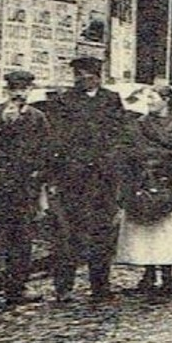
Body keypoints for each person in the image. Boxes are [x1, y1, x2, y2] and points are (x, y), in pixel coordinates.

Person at [42, 56, 129, 301]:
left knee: (102, 233)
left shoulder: (111, 100)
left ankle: (100, 286)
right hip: (73, 179)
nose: (83, 80)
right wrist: (58, 174)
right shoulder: (64, 101)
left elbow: (120, 135)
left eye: (89, 75)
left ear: (99, 77)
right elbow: (57, 139)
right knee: (68, 233)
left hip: (103, 180)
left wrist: (112, 164)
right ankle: (64, 287)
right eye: (78, 75)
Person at [0, 69, 50, 305]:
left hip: (24, 187)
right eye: (15, 91)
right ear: (7, 91)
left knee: (22, 237)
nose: (20, 95)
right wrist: (2, 124)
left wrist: (38, 178)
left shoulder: (37, 117)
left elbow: (45, 151)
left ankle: (17, 287)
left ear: (30, 91)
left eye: (24, 90)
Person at [116, 84, 172, 294]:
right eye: (148, 98)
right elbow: (130, 150)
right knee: (148, 230)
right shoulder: (139, 125)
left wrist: (166, 160)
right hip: (144, 182)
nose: (150, 101)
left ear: (167, 100)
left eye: (154, 97)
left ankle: (168, 274)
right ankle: (148, 272)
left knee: (169, 230)